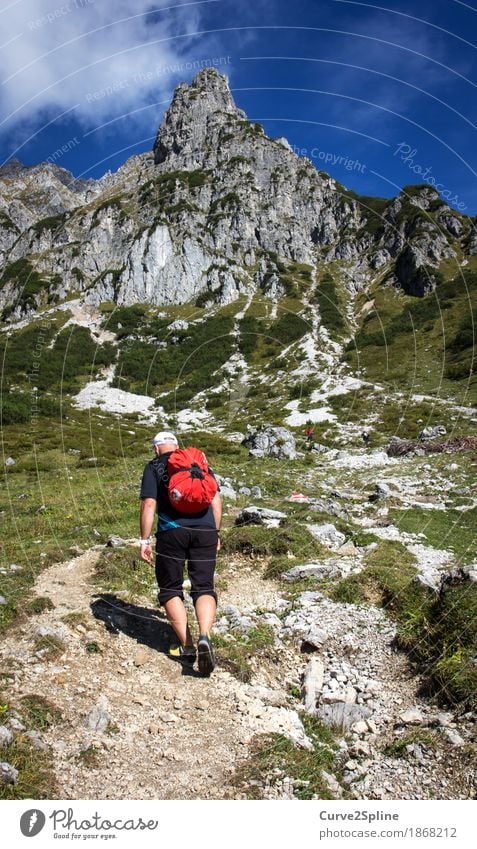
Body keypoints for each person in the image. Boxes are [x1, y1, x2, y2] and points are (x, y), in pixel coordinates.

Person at [139, 431, 222, 676]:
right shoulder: (198, 462)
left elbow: (149, 504)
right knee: (204, 587)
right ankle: (204, 636)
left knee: (170, 588)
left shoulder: (153, 466)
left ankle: (187, 645)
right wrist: (215, 532)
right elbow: (215, 500)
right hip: (206, 530)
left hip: (172, 533)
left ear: (156, 449)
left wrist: (144, 540)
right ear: (177, 446)